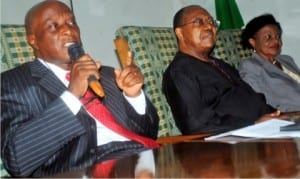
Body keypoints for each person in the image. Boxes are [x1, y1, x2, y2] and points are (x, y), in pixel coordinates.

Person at [1, 0, 159, 177]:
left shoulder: (106, 74)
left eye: (72, 23)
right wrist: (72, 95)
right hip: (83, 170)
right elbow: (17, 161)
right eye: (54, 26)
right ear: (33, 40)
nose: (68, 30)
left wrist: (134, 96)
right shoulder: (12, 83)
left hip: (144, 161)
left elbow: (150, 134)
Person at [162, 5, 281, 135]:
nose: (209, 27)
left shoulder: (219, 64)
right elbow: (195, 124)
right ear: (179, 33)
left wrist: (278, 116)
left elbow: (250, 98)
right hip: (232, 142)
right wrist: (254, 124)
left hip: (265, 128)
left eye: (211, 22)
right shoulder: (180, 71)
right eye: (198, 22)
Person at [239, 13, 300, 112]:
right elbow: (261, 102)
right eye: (268, 37)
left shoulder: (287, 60)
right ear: (252, 42)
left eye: (278, 36)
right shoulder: (250, 66)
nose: (276, 41)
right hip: (290, 115)